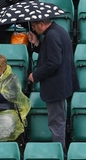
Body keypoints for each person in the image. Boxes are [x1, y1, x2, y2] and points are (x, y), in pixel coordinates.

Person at [27, 18, 79, 149]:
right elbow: (51, 54)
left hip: (56, 85)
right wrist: (37, 43)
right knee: (57, 120)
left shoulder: (52, 35)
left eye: (34, 26)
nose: (33, 29)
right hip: (61, 82)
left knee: (56, 122)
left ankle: (58, 153)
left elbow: (53, 62)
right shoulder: (58, 30)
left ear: (42, 24)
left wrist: (35, 75)